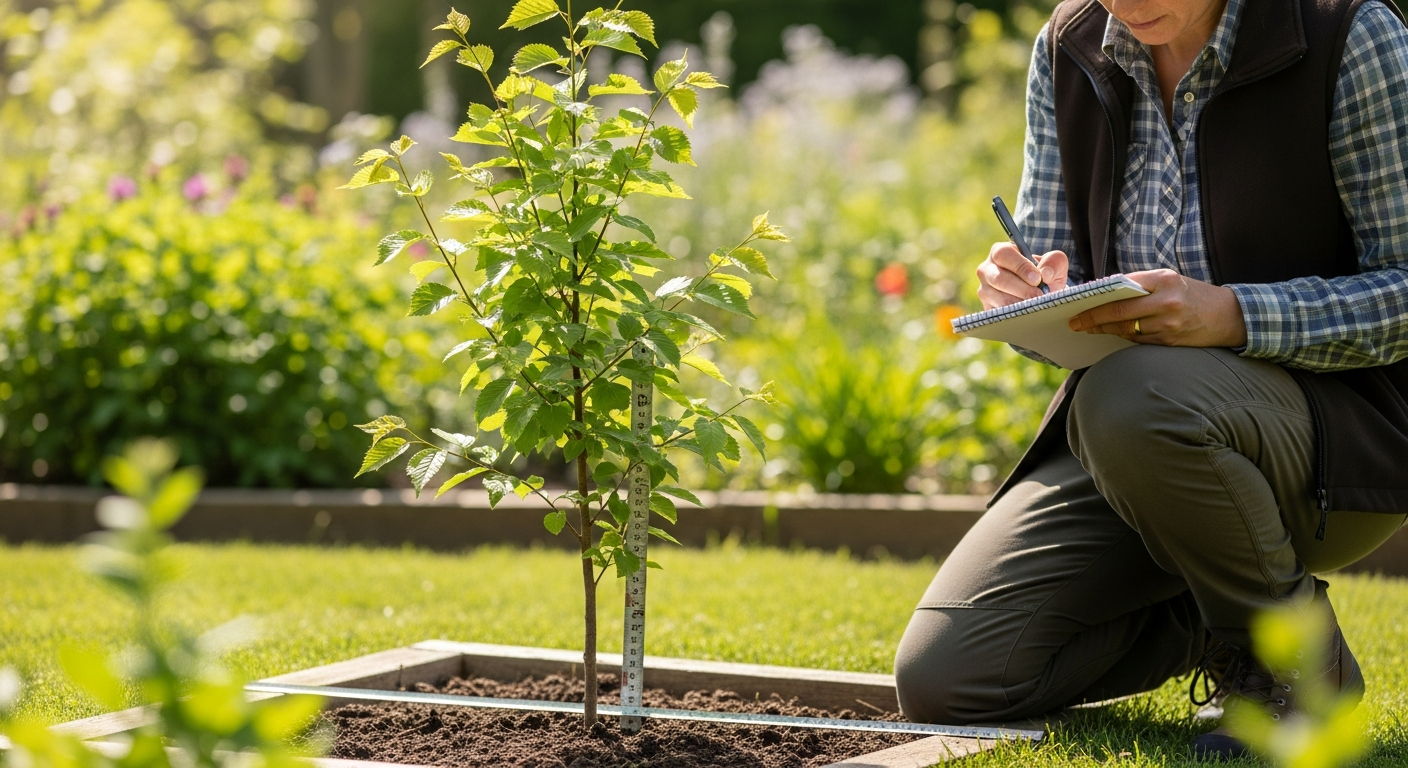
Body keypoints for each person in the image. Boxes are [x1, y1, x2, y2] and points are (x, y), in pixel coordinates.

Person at [892, 0, 1408, 758]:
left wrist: (1231, 314)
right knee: (949, 678)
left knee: (1133, 397)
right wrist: (1026, 297)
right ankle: (1216, 607)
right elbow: (1058, 270)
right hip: (1135, 437)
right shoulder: (1069, 46)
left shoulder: (1350, 34)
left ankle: (1300, 673)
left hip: (1337, 441)